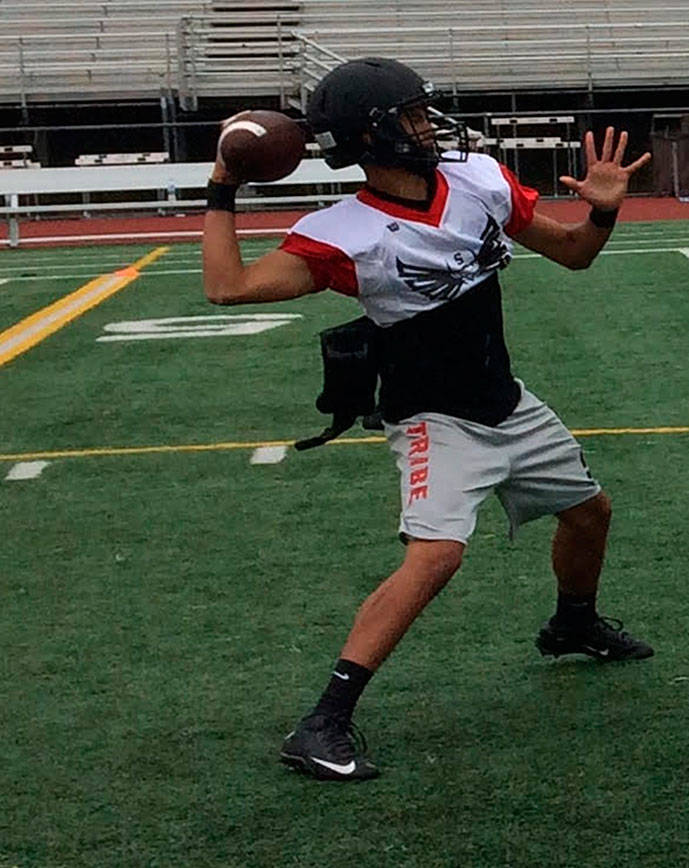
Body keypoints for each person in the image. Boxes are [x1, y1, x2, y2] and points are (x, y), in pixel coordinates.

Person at [201, 56, 654, 782]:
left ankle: (572, 622)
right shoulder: (341, 232)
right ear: (373, 138)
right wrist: (223, 185)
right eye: (410, 115)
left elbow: (574, 255)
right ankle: (323, 721)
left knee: (591, 513)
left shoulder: (478, 182)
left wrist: (602, 209)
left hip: (506, 401)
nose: (427, 124)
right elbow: (228, 287)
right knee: (437, 555)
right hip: (434, 420)